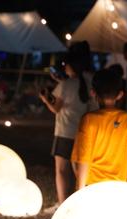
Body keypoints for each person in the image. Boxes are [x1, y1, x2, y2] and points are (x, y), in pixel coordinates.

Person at [71, 68, 127, 189]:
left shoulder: (88, 119)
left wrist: (80, 189)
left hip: (92, 186)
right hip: (119, 186)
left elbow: (83, 157)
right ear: (120, 94)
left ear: (93, 93)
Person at [39, 54, 90, 209]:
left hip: (64, 133)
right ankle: (82, 203)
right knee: (79, 173)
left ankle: (62, 205)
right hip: (82, 133)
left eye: (66, 64)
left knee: (61, 171)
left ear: (71, 67)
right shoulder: (87, 82)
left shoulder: (66, 85)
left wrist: (45, 99)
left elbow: (56, 108)